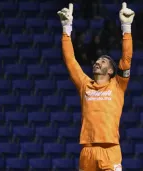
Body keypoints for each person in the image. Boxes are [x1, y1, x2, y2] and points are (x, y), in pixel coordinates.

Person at [57, 2, 134, 171]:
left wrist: (126, 27)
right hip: (87, 151)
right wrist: (66, 29)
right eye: (97, 61)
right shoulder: (85, 85)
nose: (98, 62)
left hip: (110, 150)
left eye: (103, 61)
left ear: (112, 70)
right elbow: (70, 61)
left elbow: (126, 59)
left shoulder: (118, 85)